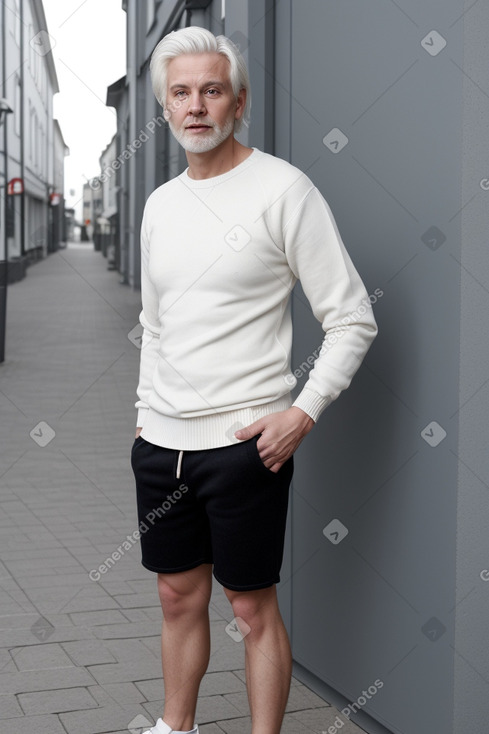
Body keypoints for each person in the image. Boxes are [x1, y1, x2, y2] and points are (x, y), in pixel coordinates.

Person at [131, 26, 378, 734]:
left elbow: (352, 317)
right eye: (180, 92)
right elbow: (154, 325)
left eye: (212, 90)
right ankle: (174, 728)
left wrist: (300, 413)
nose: (196, 105)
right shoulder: (160, 205)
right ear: (167, 107)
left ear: (238, 102)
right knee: (176, 600)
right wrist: (142, 417)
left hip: (245, 447)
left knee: (248, 609)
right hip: (161, 447)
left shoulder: (282, 190)